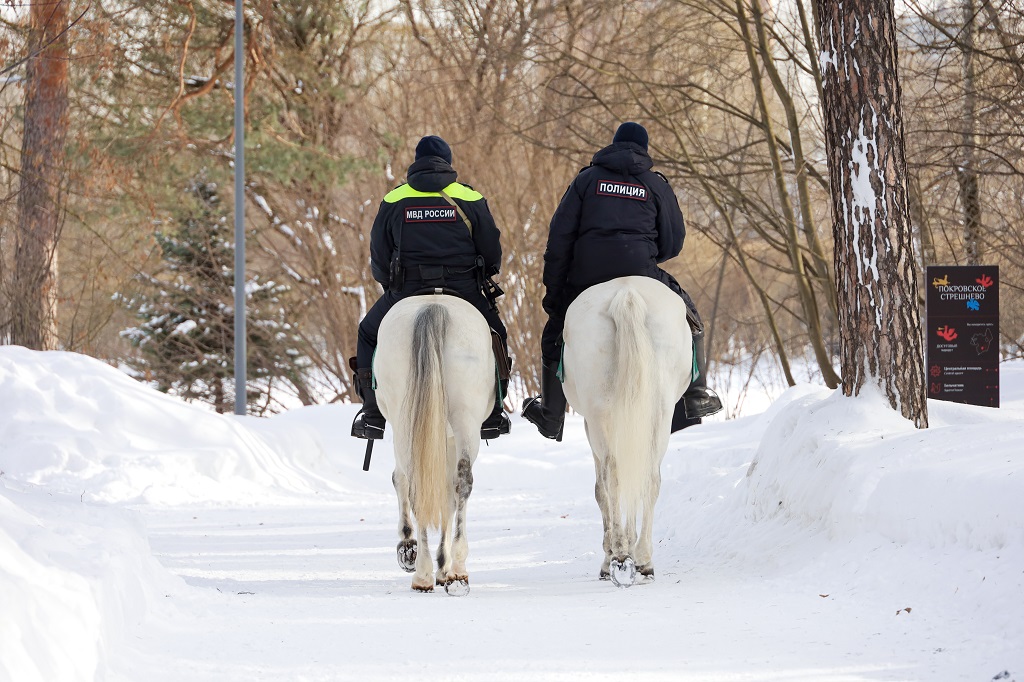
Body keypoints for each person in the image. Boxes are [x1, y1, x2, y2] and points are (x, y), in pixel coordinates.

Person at [521, 122, 722, 441]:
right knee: (691, 318)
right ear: (644, 149)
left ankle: (551, 413)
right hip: (641, 268)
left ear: (613, 145)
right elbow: (674, 241)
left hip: (588, 274)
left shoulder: (586, 180)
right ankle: (696, 394)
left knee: (555, 332)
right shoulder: (655, 183)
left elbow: (559, 240)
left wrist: (555, 296)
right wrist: (645, 250)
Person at [350, 135, 511, 441]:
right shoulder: (469, 197)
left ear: (416, 161)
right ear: (448, 163)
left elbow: (379, 253)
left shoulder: (395, 199)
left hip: (407, 289)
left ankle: (372, 414)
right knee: (496, 334)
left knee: (367, 333)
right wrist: (485, 273)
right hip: (463, 289)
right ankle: (494, 411)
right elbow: (491, 250)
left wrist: (388, 283)